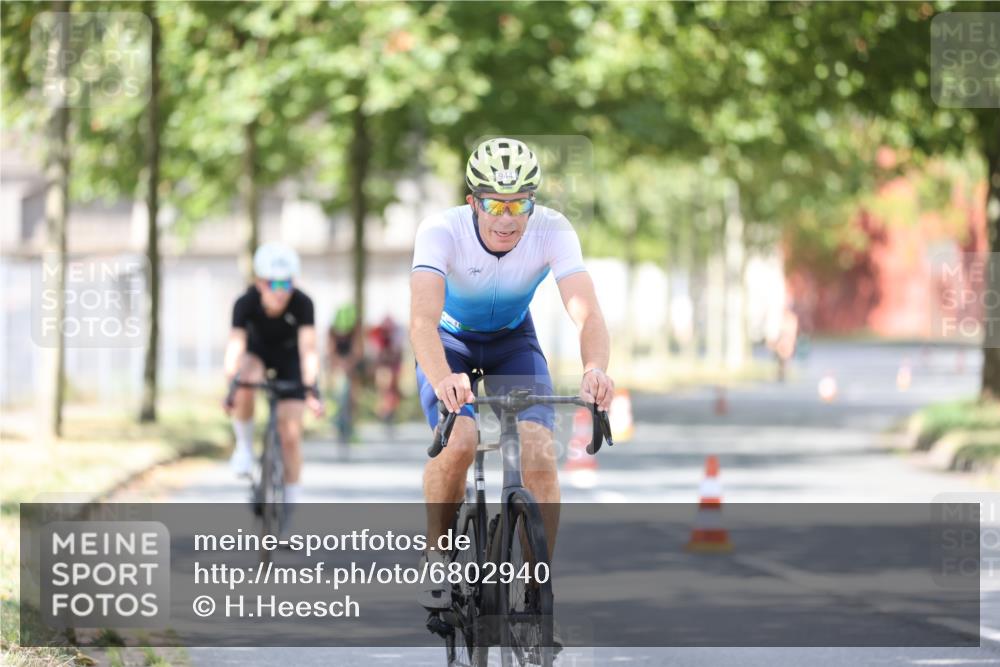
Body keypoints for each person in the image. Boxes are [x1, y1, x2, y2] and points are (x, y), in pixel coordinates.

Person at [410, 137, 615, 609]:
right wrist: (443, 379)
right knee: (460, 441)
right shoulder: (440, 231)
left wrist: (595, 368)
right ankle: (438, 554)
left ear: (533, 202)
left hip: (510, 341)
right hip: (448, 341)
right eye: (494, 204)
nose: (506, 218)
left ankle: (537, 590)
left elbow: (589, 315)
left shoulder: (554, 231)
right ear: (473, 202)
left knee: (539, 453)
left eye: (519, 203)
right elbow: (422, 322)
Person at [223, 242, 323, 509]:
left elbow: (309, 351)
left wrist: (312, 388)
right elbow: (235, 346)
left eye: (286, 284)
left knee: (290, 434)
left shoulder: (302, 304)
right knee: (246, 377)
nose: (281, 292)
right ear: (259, 282)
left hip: (289, 357)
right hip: (257, 353)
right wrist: (231, 386)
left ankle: (291, 508)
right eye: (273, 284)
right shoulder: (245, 303)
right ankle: (243, 446)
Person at [327, 303, 364, 444]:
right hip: (338, 359)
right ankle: (335, 417)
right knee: (336, 388)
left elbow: (358, 351)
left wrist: (349, 364)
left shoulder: (356, 329)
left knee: (353, 393)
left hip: (352, 360)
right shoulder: (331, 330)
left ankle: (352, 424)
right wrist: (338, 365)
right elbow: (330, 352)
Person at [368, 315, 404, 430]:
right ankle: (384, 411)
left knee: (392, 389)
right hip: (383, 367)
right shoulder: (377, 335)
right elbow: (377, 356)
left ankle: (390, 411)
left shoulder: (396, 335)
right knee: (383, 387)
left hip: (393, 366)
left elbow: (398, 354)